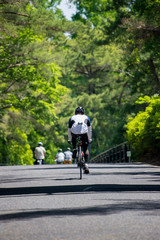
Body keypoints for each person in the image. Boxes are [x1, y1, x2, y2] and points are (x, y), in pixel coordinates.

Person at [68, 106, 92, 174]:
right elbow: (90, 129)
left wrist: (69, 139)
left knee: (73, 137)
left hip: (74, 132)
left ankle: (74, 149)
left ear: (75, 112)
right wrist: (89, 139)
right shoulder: (86, 117)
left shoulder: (72, 117)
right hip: (84, 133)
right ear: (83, 112)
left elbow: (69, 129)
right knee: (85, 148)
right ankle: (86, 165)